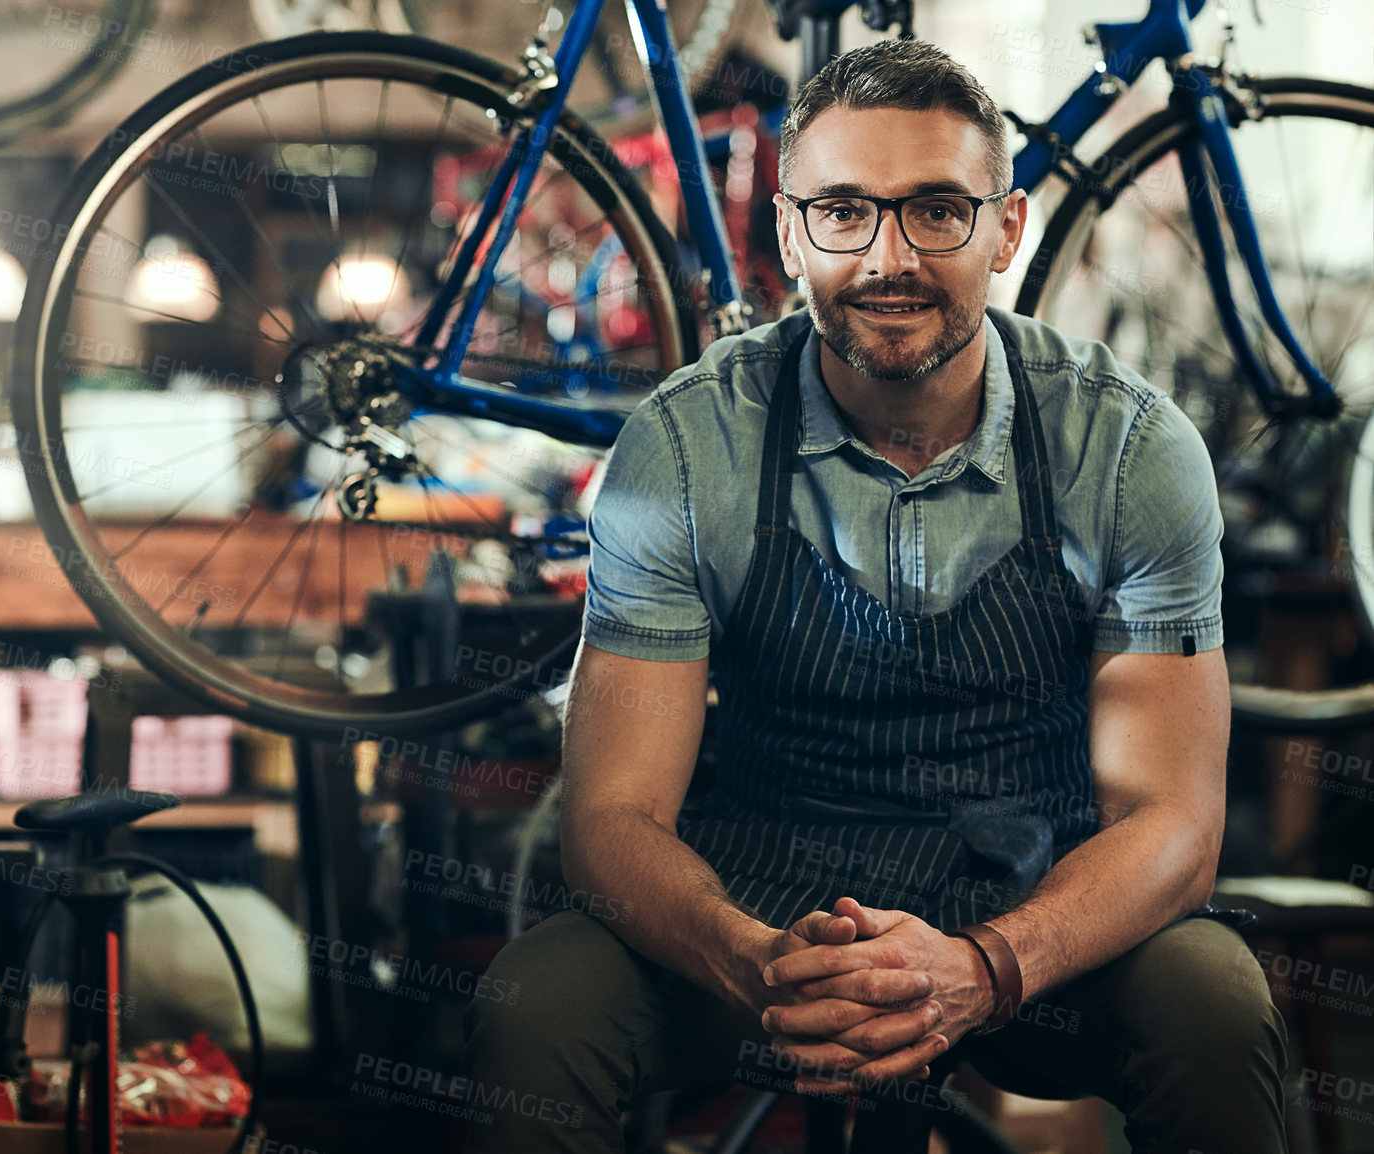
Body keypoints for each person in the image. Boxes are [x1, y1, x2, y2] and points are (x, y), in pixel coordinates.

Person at [462, 37, 1288, 1154]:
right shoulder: (687, 442)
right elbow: (611, 820)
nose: (889, 256)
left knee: (1212, 1000)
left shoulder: (1128, 447)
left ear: (1006, 230)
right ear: (789, 231)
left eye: (936, 210)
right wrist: (749, 956)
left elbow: (1173, 825)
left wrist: (988, 964)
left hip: (1035, 892)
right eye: (843, 210)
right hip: (757, 895)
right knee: (539, 1007)